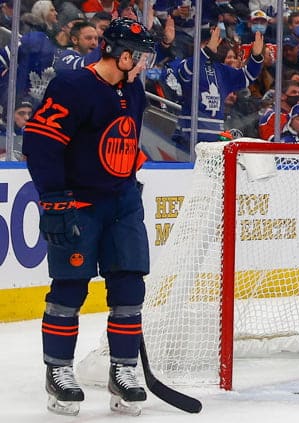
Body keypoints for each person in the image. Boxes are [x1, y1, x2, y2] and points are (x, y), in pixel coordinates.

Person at [22, 18, 155, 416]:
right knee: (70, 289)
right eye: (141, 53)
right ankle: (59, 370)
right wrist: (54, 200)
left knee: (130, 287)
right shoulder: (72, 86)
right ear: (122, 54)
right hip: (78, 204)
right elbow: (41, 145)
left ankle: (124, 370)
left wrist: (129, 180)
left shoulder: (132, 89)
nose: (146, 60)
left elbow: (126, 137)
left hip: (122, 203)